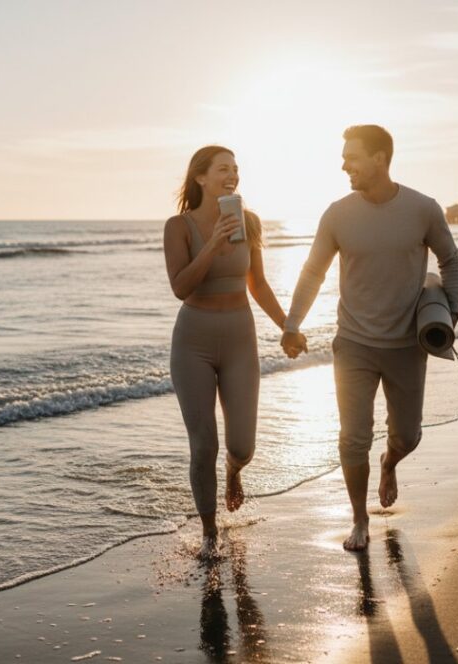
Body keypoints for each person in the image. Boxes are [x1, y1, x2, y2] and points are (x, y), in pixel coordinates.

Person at [281, 125, 458, 551]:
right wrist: (292, 323)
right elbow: (312, 271)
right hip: (354, 345)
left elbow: (450, 259)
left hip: (405, 346)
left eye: (352, 157)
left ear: (380, 159)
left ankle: (390, 462)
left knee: (408, 436)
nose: (344, 165)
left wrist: (451, 312)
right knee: (352, 438)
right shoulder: (337, 214)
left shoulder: (423, 209)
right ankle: (359, 519)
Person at [164, 145, 296, 558]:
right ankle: (209, 532)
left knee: (243, 447)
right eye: (224, 169)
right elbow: (181, 287)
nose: (233, 175)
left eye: (236, 169)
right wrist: (213, 244)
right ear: (201, 177)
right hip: (193, 341)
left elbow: (257, 284)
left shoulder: (249, 222)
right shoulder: (178, 227)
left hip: (240, 337)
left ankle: (234, 474)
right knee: (203, 444)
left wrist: (288, 328)